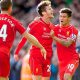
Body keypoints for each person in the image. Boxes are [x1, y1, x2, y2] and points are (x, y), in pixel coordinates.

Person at [0, 0, 47, 80]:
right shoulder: (14, 21)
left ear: (1, 8)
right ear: (10, 8)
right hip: (3, 54)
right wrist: (41, 47)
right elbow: (29, 36)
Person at [14, 1, 54, 80]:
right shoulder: (35, 24)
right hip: (36, 57)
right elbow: (25, 38)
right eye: (49, 9)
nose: (52, 10)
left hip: (47, 57)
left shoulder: (53, 27)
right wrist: (16, 52)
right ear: (43, 13)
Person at [50, 8, 79, 80]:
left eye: (64, 16)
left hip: (72, 59)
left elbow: (67, 44)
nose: (61, 18)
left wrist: (54, 37)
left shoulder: (73, 30)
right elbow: (45, 26)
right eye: (60, 16)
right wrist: (38, 20)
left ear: (69, 18)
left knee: (67, 77)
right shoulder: (56, 28)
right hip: (61, 62)